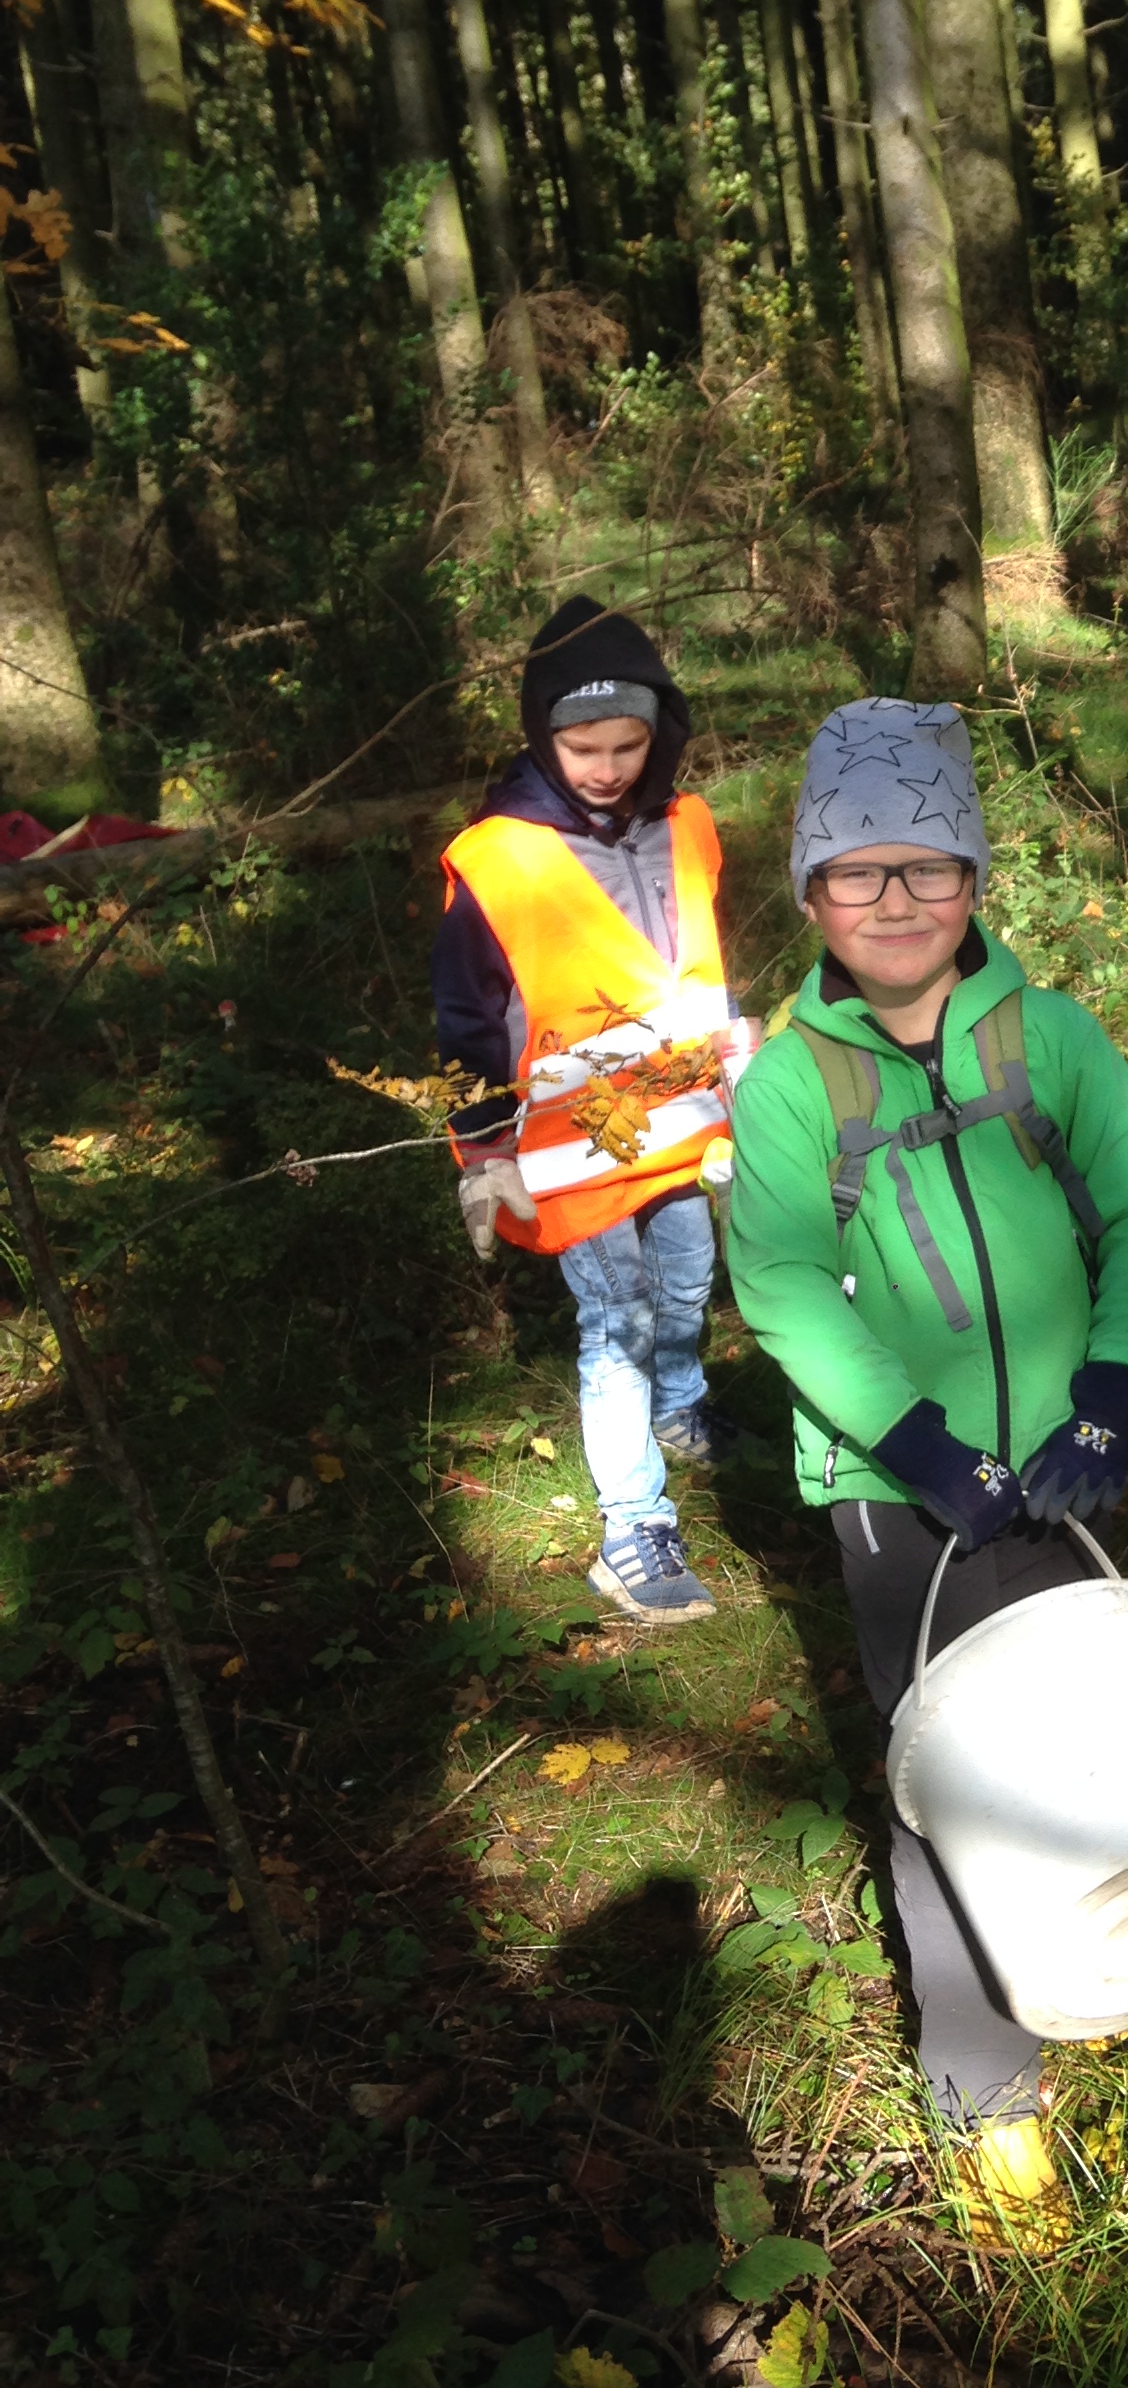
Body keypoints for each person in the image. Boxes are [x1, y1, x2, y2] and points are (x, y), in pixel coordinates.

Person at [725, 698, 1128, 2228]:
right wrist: (922, 1453)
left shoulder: (1046, 1037)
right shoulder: (795, 1083)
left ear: (976, 882)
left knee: (1089, 1731)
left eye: (929, 867)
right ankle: (985, 2091)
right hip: (896, 1490)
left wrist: (1110, 1403)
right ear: (812, 899)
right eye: (858, 875)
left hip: (1065, 1462)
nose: (897, 901)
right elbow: (784, 1284)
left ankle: (1085, 1970)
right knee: (952, 1777)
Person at [434, 597, 739, 1628]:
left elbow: (701, 961)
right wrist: (481, 1150)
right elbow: (465, 1014)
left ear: (660, 735)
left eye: (627, 744)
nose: (605, 766)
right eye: (579, 746)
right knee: (620, 1322)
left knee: (691, 1281)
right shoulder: (496, 857)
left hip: (684, 1118)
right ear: (539, 736)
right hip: (572, 1145)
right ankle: (631, 1528)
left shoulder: (685, 825)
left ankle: (684, 1407)